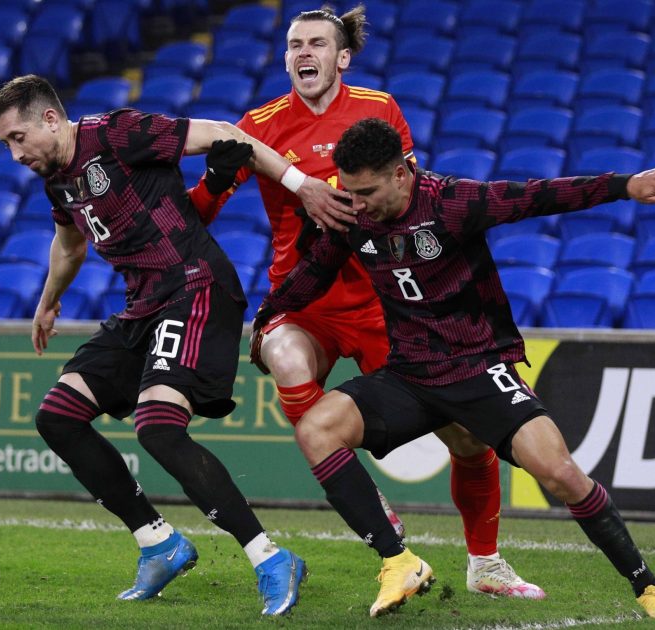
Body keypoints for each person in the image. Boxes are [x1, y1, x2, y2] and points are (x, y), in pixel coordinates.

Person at [252, 117, 655, 619]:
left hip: (478, 368)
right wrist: (268, 316)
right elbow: (313, 274)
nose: (356, 204)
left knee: (561, 474)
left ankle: (648, 588)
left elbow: (538, 196)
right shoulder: (353, 217)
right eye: (350, 192)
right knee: (316, 429)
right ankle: (398, 561)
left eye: (367, 192)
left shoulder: (451, 201)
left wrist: (625, 185)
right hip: (409, 374)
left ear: (400, 174)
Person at [190, 4, 543, 599]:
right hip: (306, 302)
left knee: (468, 439)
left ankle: (485, 564)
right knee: (284, 354)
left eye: (317, 44)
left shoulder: (380, 110)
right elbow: (196, 214)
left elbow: (412, 196)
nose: (303, 53)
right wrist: (216, 180)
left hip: (385, 301)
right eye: (294, 44)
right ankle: (369, 501)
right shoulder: (259, 125)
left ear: (343, 57)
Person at [0, 74, 343, 616]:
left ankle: (271, 558)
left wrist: (300, 184)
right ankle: (159, 543)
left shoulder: (117, 133)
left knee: (157, 426)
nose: (14, 154)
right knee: (58, 417)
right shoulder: (57, 180)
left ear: (50, 119)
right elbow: (69, 245)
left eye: (17, 138)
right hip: (144, 304)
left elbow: (222, 133)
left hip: (195, 285)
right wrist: (48, 302)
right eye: (6, 144)